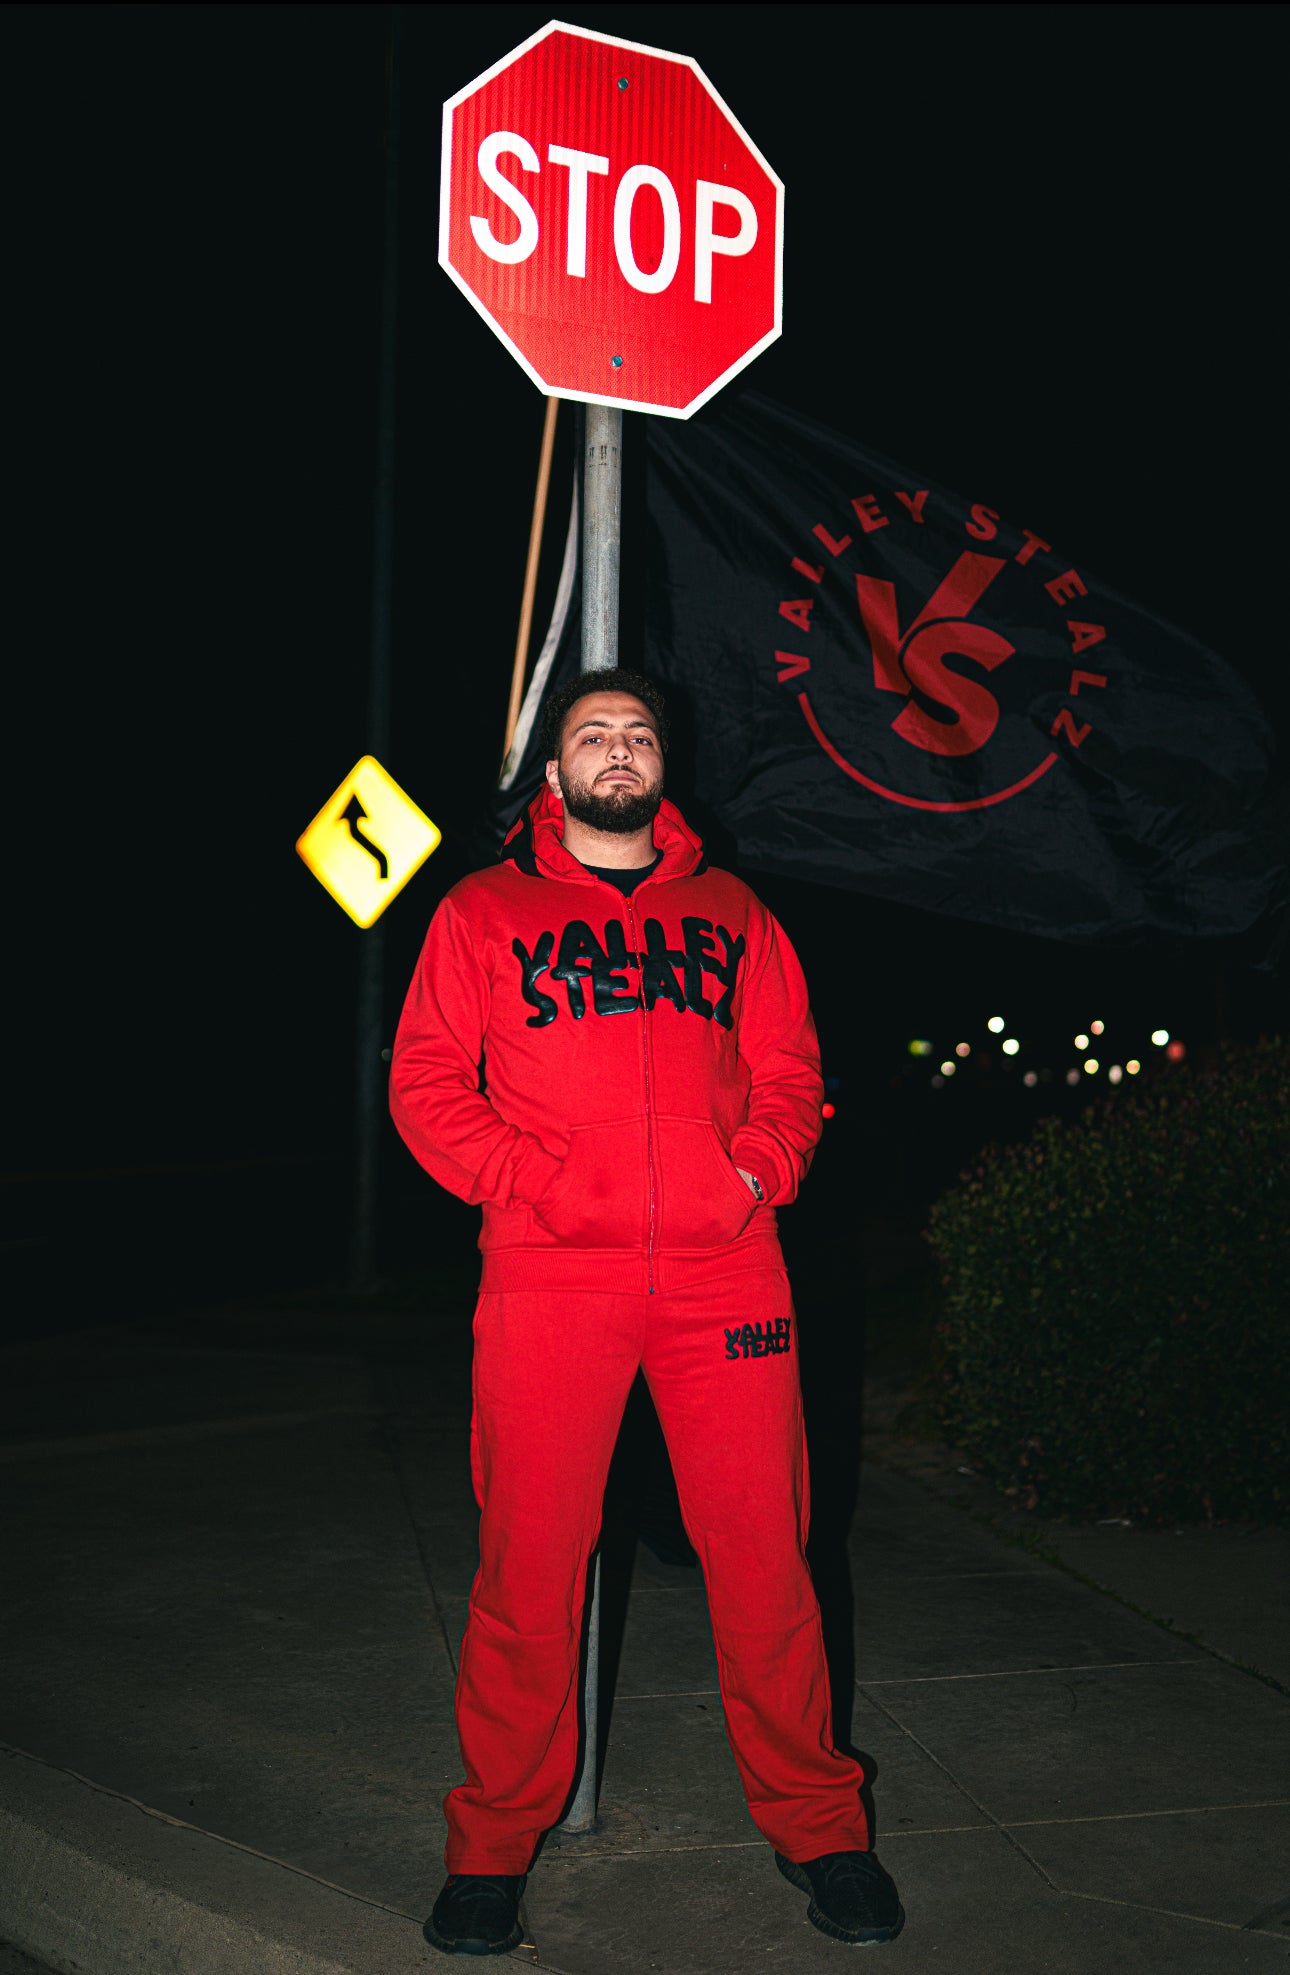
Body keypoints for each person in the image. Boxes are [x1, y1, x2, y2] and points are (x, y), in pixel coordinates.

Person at [389, 669, 904, 1956]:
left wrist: (755, 1173)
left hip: (728, 1277)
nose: (617, 753)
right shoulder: (481, 913)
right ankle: (493, 1846)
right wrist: (541, 1183)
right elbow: (428, 1086)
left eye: (636, 735)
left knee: (765, 1564)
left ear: (660, 764)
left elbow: (791, 1074)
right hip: (551, 1274)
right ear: (553, 774)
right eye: (591, 737)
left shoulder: (734, 914)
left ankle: (821, 1830)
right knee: (528, 1570)